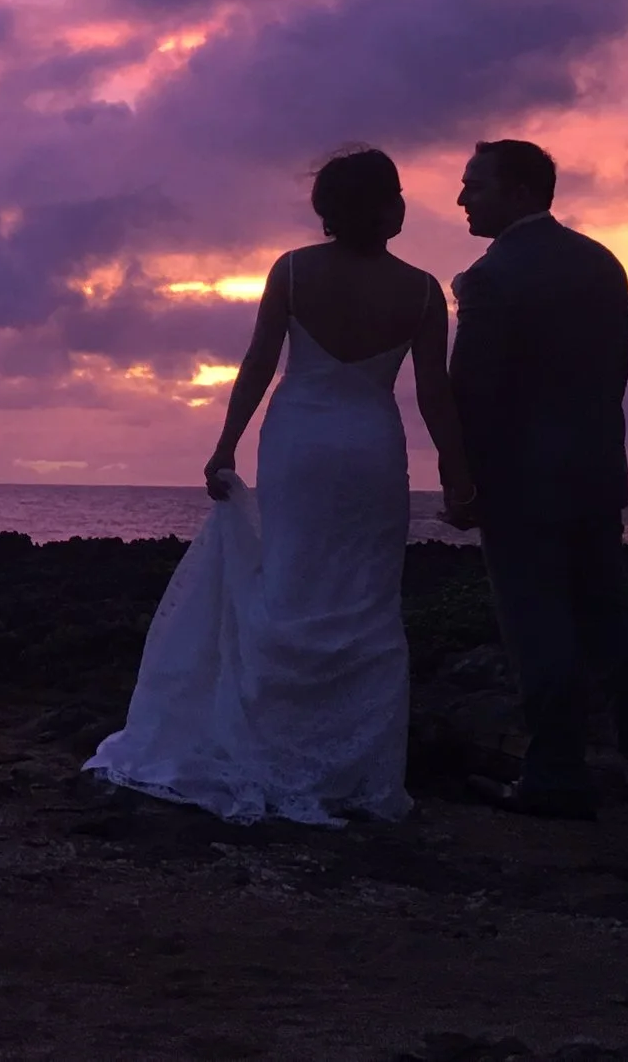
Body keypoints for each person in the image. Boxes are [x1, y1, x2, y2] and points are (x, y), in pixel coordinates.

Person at [86, 146, 475, 824]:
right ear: (383, 206)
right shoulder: (419, 288)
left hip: (299, 443)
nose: (406, 204)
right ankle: (348, 766)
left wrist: (225, 442)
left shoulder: (293, 271)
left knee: (290, 584)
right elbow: (434, 392)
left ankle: (276, 744)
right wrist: (456, 466)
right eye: (397, 193)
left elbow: (260, 361)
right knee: (364, 598)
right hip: (372, 449)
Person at [452, 138, 628, 820]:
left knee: (538, 630)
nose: (463, 198)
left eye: (476, 185)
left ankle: (556, 774)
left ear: (520, 191)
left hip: (520, 482)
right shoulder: (602, 264)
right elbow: (619, 367)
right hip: (594, 468)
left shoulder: (490, 277)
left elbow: (473, 390)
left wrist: (464, 481)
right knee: (616, 624)